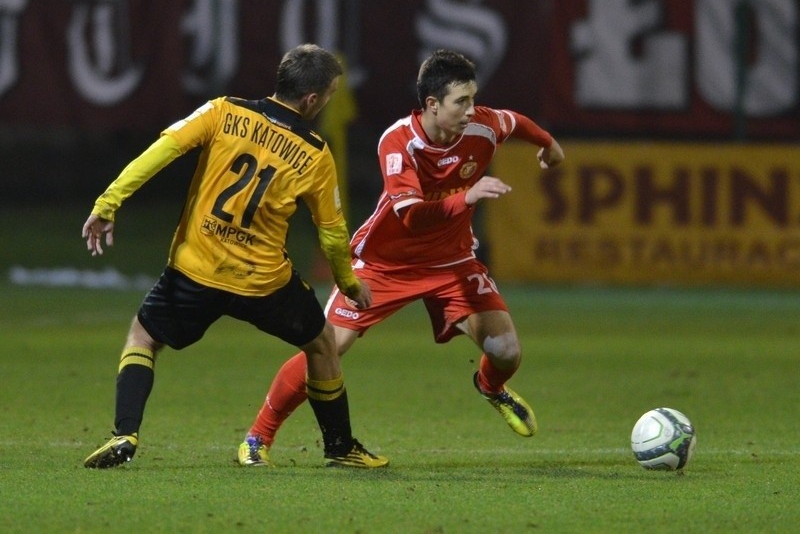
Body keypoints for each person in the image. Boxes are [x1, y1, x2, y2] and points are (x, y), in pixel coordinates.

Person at [237, 49, 565, 465]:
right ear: (432, 104)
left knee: (505, 350)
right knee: (328, 347)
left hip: (452, 263)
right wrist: (468, 196)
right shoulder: (398, 141)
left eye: (473, 98)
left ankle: (490, 387)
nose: (471, 110)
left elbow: (515, 120)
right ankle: (257, 438)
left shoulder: (482, 125)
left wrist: (549, 145)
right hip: (385, 264)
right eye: (460, 102)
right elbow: (410, 215)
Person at [82, 43, 388, 470]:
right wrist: (349, 284)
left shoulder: (222, 111)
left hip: (196, 271)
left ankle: (125, 434)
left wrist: (108, 202)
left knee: (143, 337)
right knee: (321, 345)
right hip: (263, 282)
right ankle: (340, 446)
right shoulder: (315, 154)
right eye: (331, 94)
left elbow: (161, 152)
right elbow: (333, 236)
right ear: (312, 99)